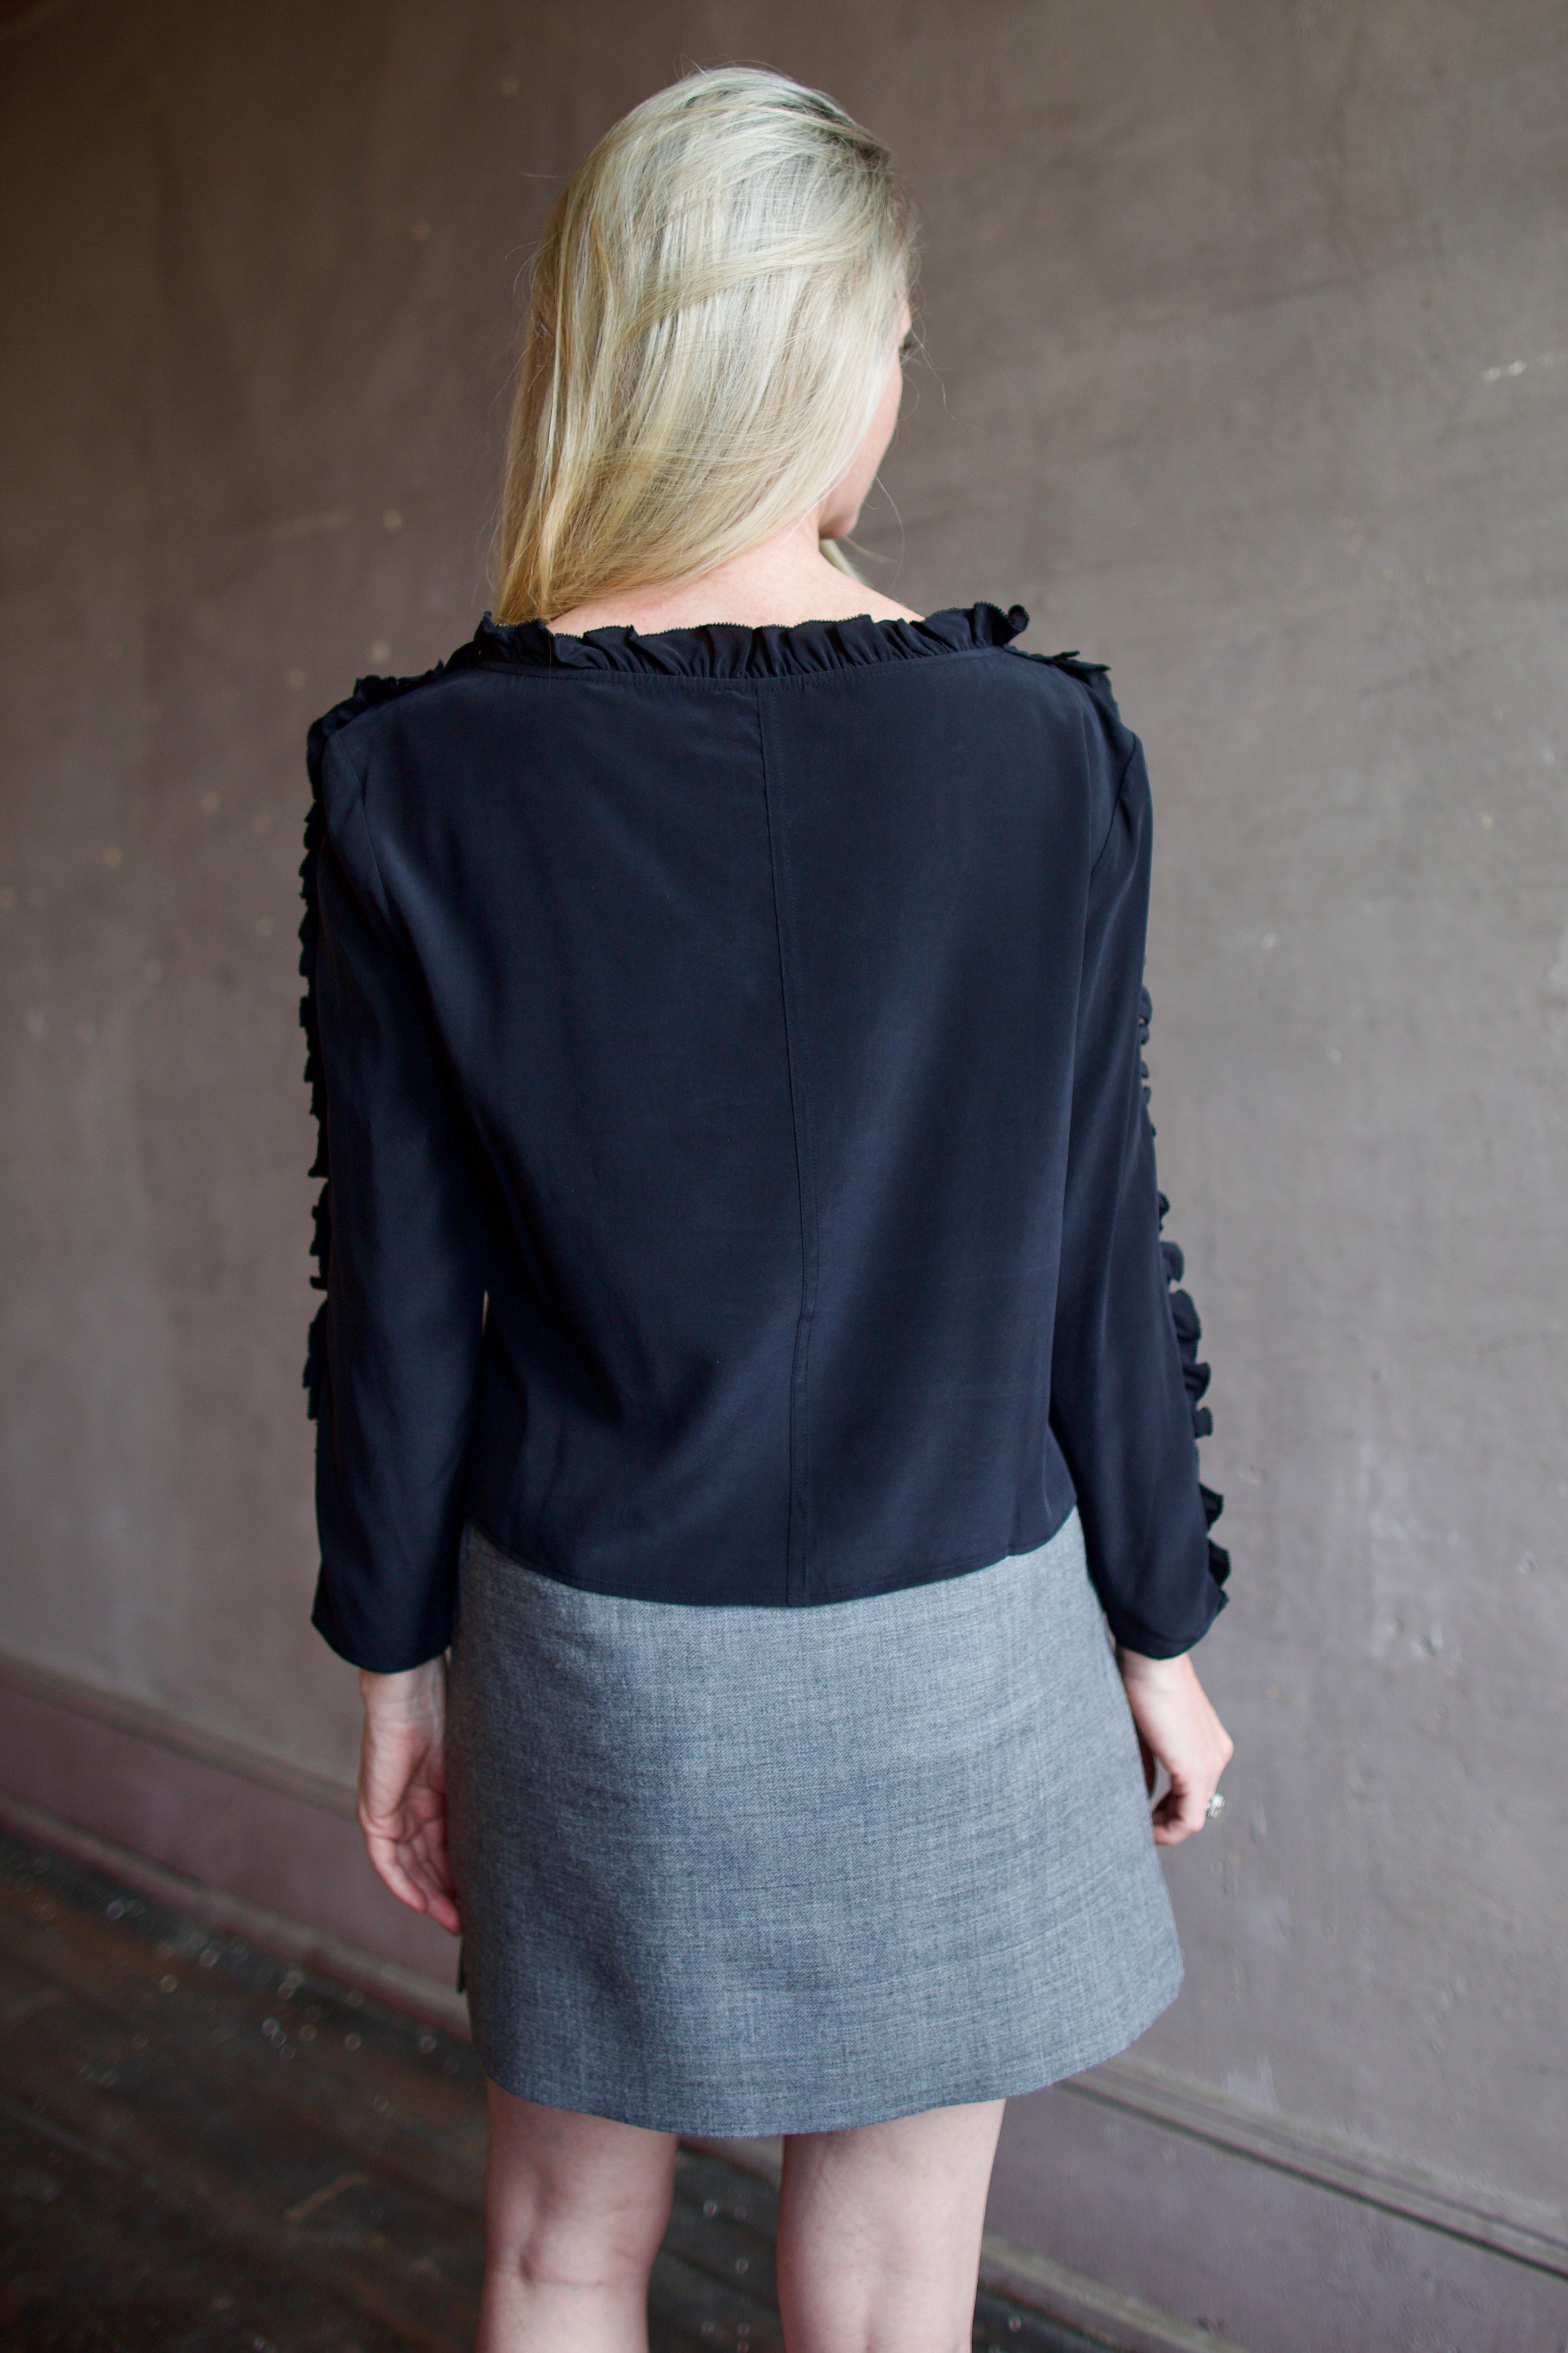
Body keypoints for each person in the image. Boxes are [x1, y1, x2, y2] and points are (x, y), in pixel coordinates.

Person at [300, 64, 1234, 2353]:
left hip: (601, 1654)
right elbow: (1094, 1245)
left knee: (556, 2255)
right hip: (960, 1635)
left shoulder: (417, 777)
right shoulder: (1041, 751)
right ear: (831, 360)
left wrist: (393, 1668)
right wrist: (1161, 1630)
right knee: (898, 2282)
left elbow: (398, 1301)